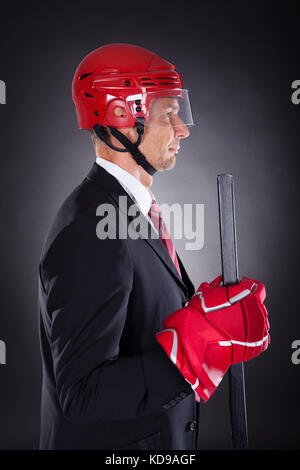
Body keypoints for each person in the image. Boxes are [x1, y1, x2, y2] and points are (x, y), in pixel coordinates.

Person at [38, 43, 270, 450]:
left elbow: (141, 323)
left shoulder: (127, 210)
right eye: (168, 113)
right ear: (122, 117)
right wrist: (195, 352)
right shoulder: (89, 229)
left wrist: (202, 316)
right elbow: (82, 394)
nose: (182, 128)